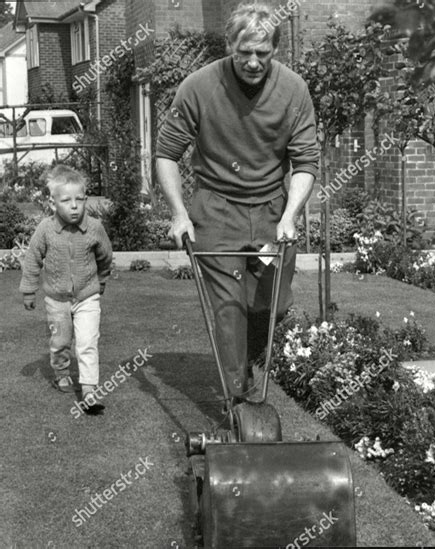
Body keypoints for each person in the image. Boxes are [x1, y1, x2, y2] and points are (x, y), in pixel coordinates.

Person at [156, 2, 318, 402]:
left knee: (273, 304)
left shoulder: (293, 89)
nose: (252, 62)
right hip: (216, 211)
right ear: (229, 44)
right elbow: (165, 155)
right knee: (230, 307)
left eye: (262, 54)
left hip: (270, 213)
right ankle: (240, 402)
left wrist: (290, 215)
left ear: (274, 50)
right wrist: (179, 215)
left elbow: (306, 161)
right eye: (243, 52)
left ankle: (245, 361)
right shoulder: (199, 86)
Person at [20, 165, 113, 409]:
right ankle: (61, 373)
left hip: (87, 297)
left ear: (85, 199)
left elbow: (105, 257)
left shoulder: (94, 228)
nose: (74, 206)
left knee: (87, 342)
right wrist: (29, 290)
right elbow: (32, 259)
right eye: (66, 200)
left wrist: (100, 281)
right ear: (52, 204)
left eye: (79, 199)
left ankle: (90, 390)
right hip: (56, 299)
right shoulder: (45, 230)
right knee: (60, 341)